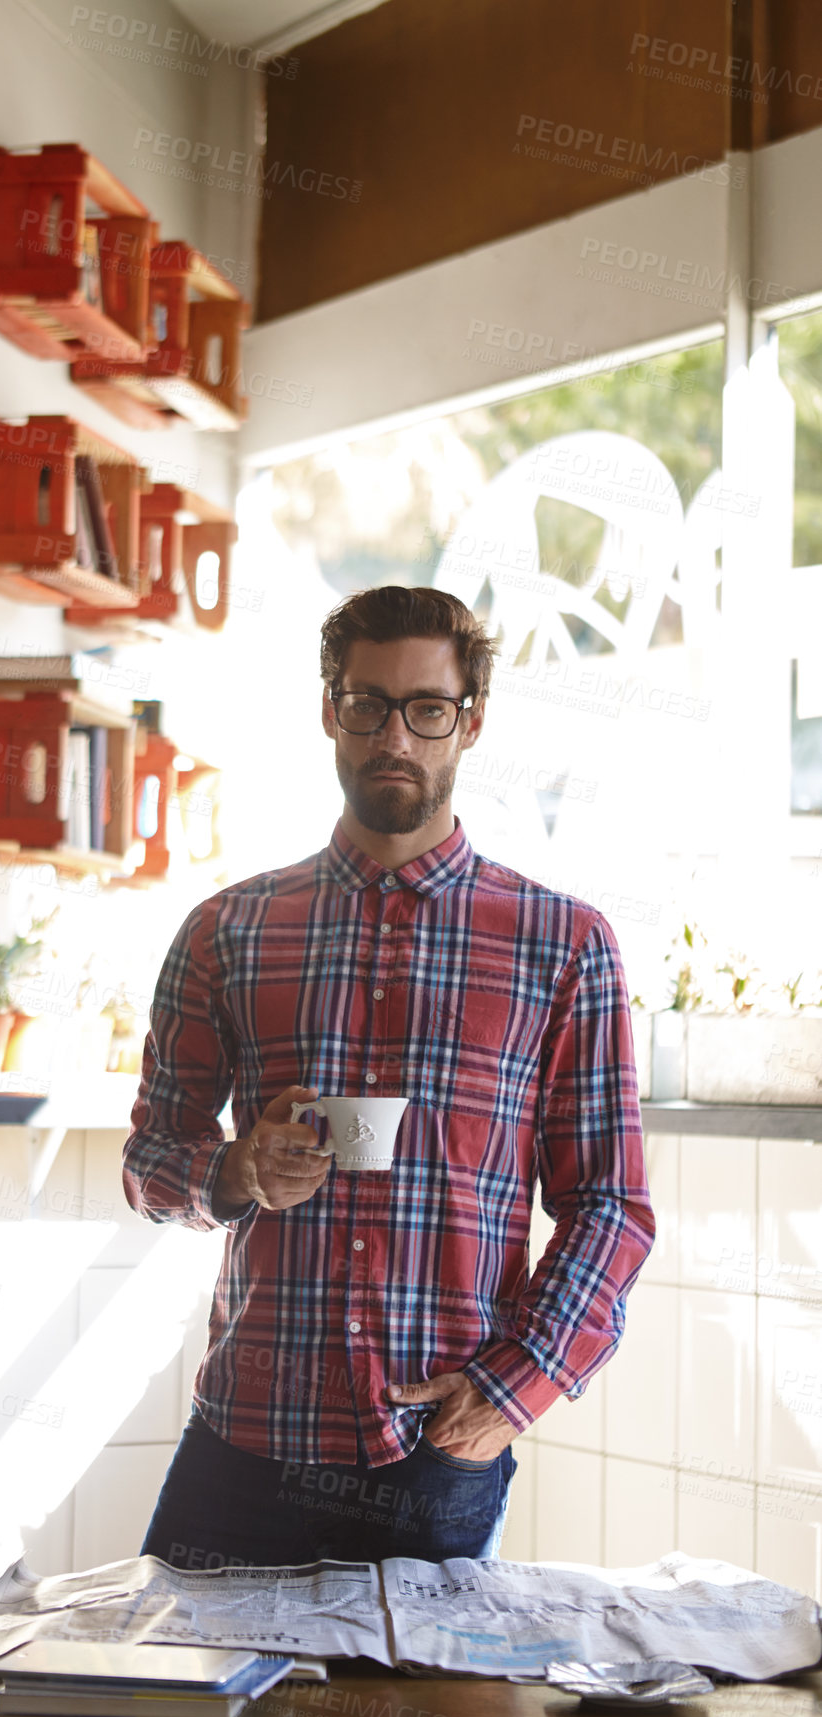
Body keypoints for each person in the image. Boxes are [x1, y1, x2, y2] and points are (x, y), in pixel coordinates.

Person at [122, 584, 654, 1569]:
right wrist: (235, 1171)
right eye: (366, 704)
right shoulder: (227, 929)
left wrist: (518, 1385)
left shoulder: (563, 945)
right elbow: (151, 1159)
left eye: (426, 709)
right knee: (160, 1713)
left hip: (435, 1453)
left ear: (470, 721)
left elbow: (609, 1206)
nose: (393, 737)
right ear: (330, 708)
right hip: (244, 1437)